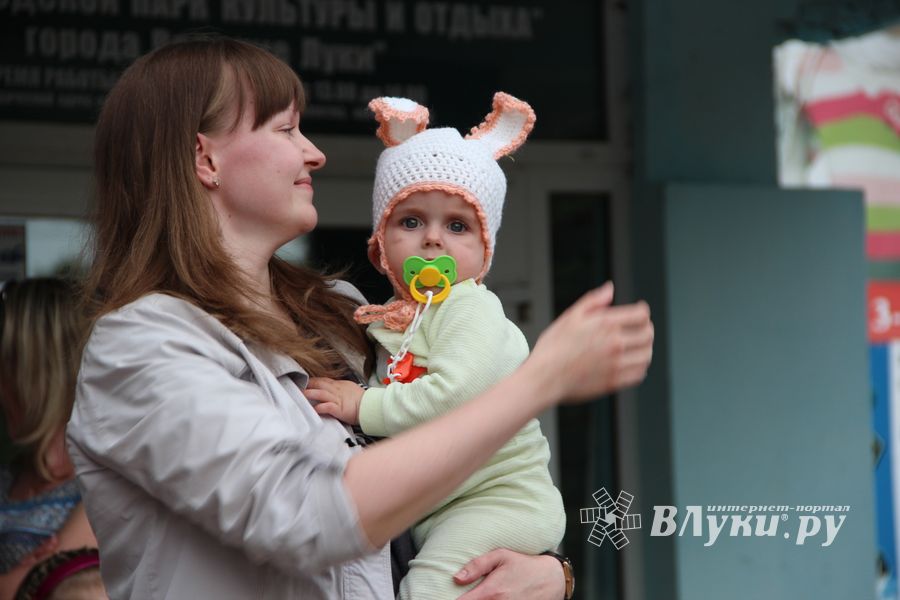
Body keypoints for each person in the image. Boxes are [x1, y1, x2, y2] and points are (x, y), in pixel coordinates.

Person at [66, 35, 655, 600]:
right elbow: (300, 514)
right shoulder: (141, 345)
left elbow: (443, 482)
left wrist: (549, 571)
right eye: (287, 128)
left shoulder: (344, 310)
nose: (315, 152)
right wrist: (540, 381)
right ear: (205, 157)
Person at [305, 92, 565, 599]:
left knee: (427, 589)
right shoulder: (394, 322)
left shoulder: (469, 308)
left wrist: (363, 404)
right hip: (448, 508)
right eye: (410, 221)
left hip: (499, 501)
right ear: (380, 246)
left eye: (457, 225)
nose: (432, 240)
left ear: (484, 250)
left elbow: (451, 396)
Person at [0, 279, 105, 600]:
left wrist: (25, 581)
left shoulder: (103, 484)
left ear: (30, 374)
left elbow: (47, 589)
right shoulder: (8, 478)